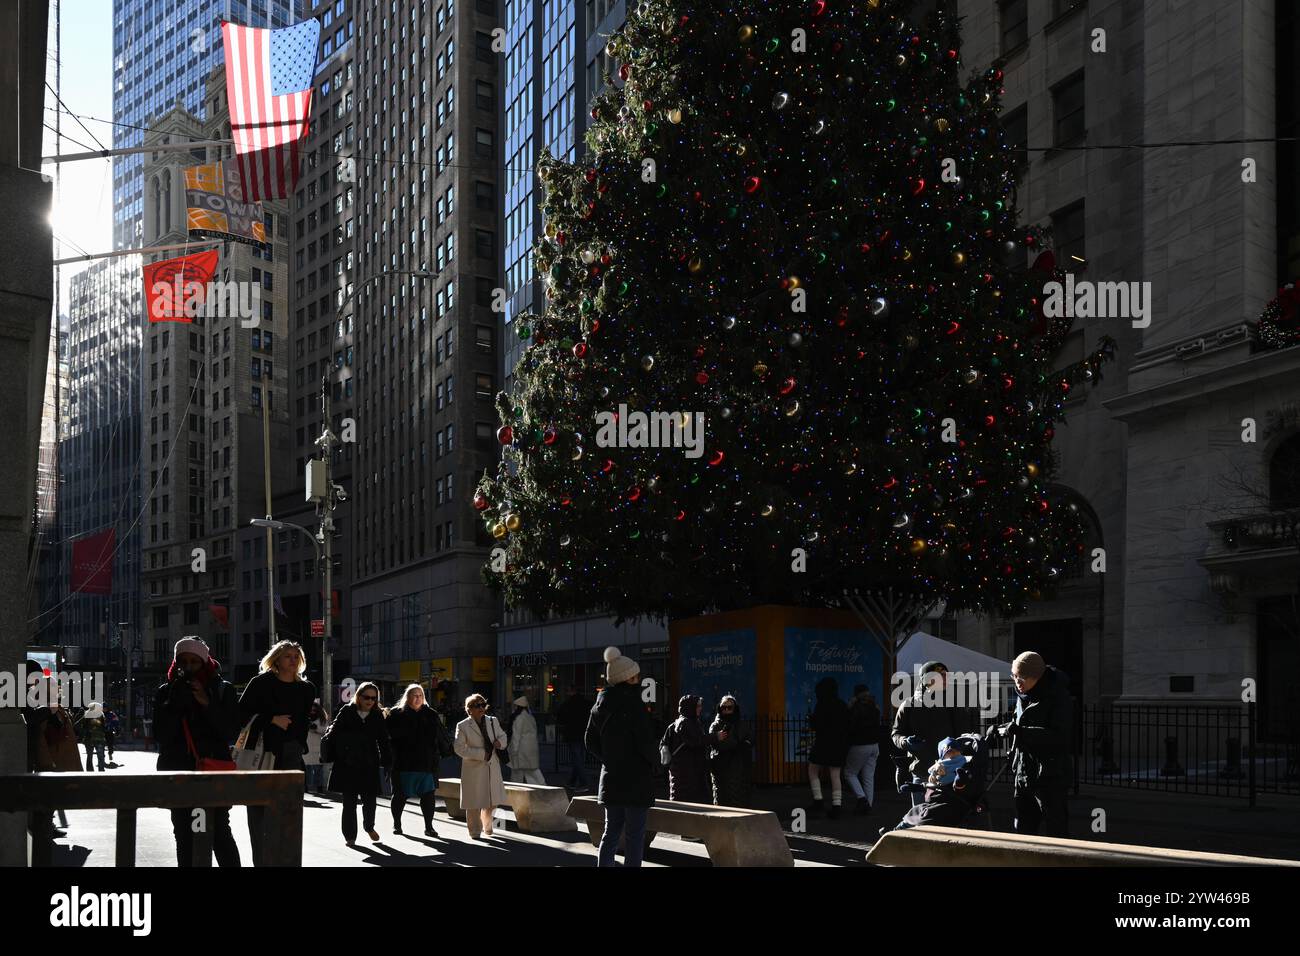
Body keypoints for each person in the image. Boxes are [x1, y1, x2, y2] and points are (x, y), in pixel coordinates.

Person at [152, 637, 242, 867]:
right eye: (183, 662)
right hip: (178, 773)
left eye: (195, 662)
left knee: (219, 832)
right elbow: (161, 736)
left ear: (205, 662)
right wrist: (174, 705)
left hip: (213, 773)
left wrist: (207, 704)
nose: (189, 668)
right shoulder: (166, 692)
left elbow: (229, 731)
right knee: (183, 833)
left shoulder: (222, 689)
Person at [238, 640, 317, 863]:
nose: (292, 660)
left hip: (291, 756)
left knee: (290, 817)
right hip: (261, 755)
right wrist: (271, 719)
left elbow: (302, 724)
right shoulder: (260, 683)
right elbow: (240, 715)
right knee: (259, 814)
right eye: (287, 656)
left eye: (296, 656)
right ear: (276, 660)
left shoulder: (306, 689)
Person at [585, 647, 657, 867]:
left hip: (611, 778)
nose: (639, 679)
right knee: (635, 836)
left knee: (611, 832)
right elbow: (645, 742)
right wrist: (654, 763)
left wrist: (609, 759)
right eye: (636, 676)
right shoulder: (635, 705)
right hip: (636, 780)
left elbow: (589, 741)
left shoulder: (600, 705)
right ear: (628, 678)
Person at [1001, 651, 1073, 837]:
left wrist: (1022, 732)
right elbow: (1018, 726)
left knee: (1056, 831)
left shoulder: (1058, 697)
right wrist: (1001, 730)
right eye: (1014, 676)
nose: (1017, 682)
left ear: (1037, 677)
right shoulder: (1023, 696)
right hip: (1024, 772)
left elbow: (1059, 737)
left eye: (1022, 677)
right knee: (1023, 829)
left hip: (1050, 774)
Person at [891, 661, 973, 807]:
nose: (945, 679)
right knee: (920, 820)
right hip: (920, 771)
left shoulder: (953, 703)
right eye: (940, 676)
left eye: (946, 676)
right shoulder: (908, 705)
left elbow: (964, 735)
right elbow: (896, 733)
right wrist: (905, 742)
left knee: (946, 821)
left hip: (949, 774)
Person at [323, 681, 393, 845]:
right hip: (348, 763)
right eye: (366, 697)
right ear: (359, 697)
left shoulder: (377, 715)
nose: (370, 701)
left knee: (370, 801)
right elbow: (333, 733)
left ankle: (369, 827)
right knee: (349, 803)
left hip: (369, 764)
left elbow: (383, 741)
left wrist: (388, 763)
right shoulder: (347, 711)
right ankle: (350, 836)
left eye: (373, 698)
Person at [386, 683, 451, 836]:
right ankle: (397, 824)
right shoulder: (396, 714)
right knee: (399, 796)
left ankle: (429, 827)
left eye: (420, 695)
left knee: (428, 796)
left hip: (426, 763)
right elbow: (387, 738)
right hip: (402, 763)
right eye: (414, 695)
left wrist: (447, 750)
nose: (418, 698)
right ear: (407, 697)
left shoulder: (431, 714)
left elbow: (441, 736)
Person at [453, 694, 508, 839]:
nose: (481, 708)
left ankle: (487, 824)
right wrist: (480, 754)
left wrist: (500, 743)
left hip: (492, 766)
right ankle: (474, 831)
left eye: (483, 704)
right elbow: (459, 748)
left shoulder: (492, 721)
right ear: (469, 709)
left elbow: (503, 736)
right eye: (477, 705)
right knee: (474, 802)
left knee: (493, 800)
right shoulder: (463, 725)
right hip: (474, 767)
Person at [661, 695, 709, 803]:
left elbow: (664, 747)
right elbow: (696, 740)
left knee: (680, 804)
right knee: (689, 805)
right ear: (690, 707)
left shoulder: (673, 725)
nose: (700, 708)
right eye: (697, 706)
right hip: (689, 774)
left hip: (679, 773)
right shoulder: (688, 724)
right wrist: (715, 737)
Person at [707, 695, 752, 807]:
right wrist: (737, 745)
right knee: (721, 796)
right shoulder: (716, 725)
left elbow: (751, 739)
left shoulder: (742, 724)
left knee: (739, 796)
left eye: (729, 707)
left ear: (735, 708)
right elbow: (716, 744)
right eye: (724, 707)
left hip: (739, 765)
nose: (726, 710)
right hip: (721, 765)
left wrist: (744, 745)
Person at [844, 685, 882, 815]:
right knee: (868, 777)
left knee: (849, 772)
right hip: (874, 745)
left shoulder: (855, 707)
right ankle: (868, 805)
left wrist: (849, 708)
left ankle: (862, 799)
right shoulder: (875, 707)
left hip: (859, 744)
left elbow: (850, 724)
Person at [556, 685, 592, 790]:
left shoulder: (567, 704)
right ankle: (572, 781)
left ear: (570, 692)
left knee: (577, 759)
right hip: (584, 733)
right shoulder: (587, 703)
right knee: (579, 758)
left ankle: (583, 783)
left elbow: (560, 718)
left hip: (572, 734)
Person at [507, 695, 546, 785]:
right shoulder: (530, 717)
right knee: (532, 771)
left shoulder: (519, 718)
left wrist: (513, 750)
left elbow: (516, 736)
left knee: (517, 773)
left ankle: (516, 790)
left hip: (521, 750)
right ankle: (541, 787)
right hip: (531, 749)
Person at [303, 700, 331, 794]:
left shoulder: (322, 719)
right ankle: (305, 786)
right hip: (306, 748)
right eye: (311, 710)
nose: (312, 712)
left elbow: (326, 731)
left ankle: (319, 787)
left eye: (315, 710)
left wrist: (316, 728)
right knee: (306, 769)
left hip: (317, 748)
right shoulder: (304, 718)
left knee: (318, 769)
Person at [79, 701, 109, 772]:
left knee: (90, 756)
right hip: (99, 739)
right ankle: (101, 771)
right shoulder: (101, 715)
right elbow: (105, 727)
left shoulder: (87, 715)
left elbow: (79, 725)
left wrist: (85, 732)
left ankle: (90, 772)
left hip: (89, 739)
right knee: (100, 756)